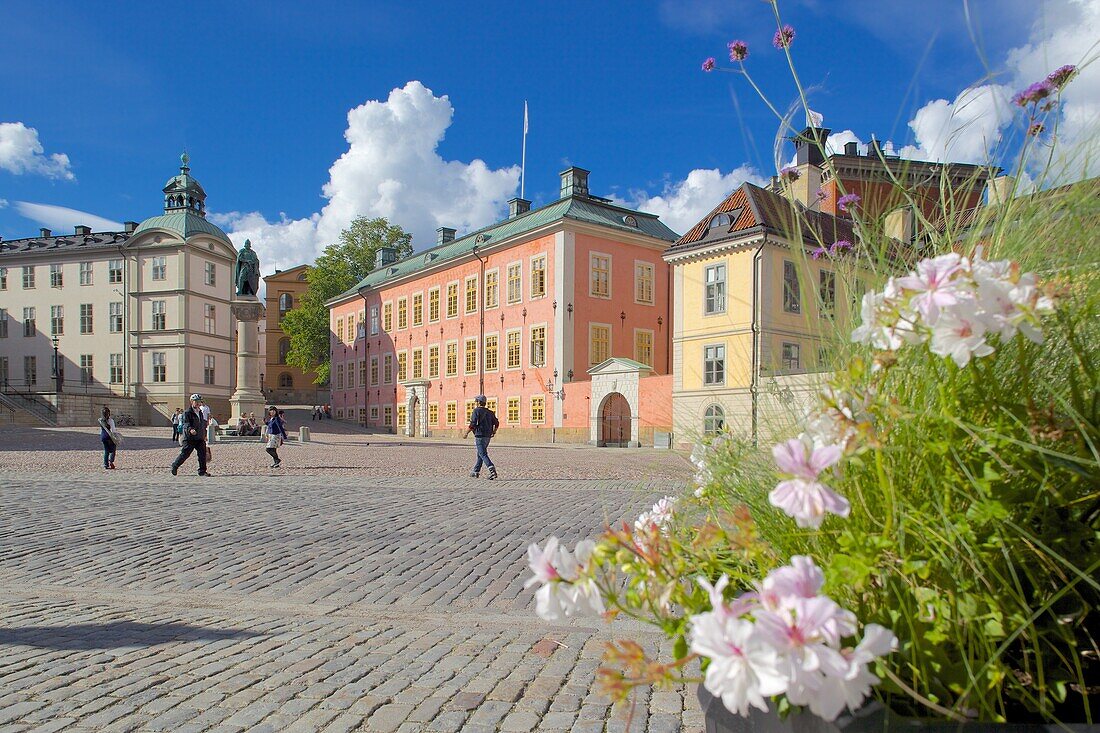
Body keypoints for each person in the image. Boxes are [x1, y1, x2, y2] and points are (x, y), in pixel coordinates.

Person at [171, 394, 211, 476]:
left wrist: (204, 435)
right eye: (196, 401)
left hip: (199, 437)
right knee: (185, 454)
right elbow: (186, 423)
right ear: (191, 402)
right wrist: (190, 429)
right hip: (190, 438)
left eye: (199, 402)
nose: (198, 403)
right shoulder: (187, 412)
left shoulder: (200, 412)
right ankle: (175, 465)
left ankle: (202, 471)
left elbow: (202, 424)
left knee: (202, 454)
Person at [463, 394, 499, 480]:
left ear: (479, 402)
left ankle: (492, 470)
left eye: (476, 401)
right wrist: (494, 431)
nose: (476, 403)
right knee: (480, 453)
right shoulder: (490, 412)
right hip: (488, 436)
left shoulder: (476, 411)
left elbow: (473, 424)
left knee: (483, 454)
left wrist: (466, 433)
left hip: (479, 435)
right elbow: (497, 423)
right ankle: (476, 471)